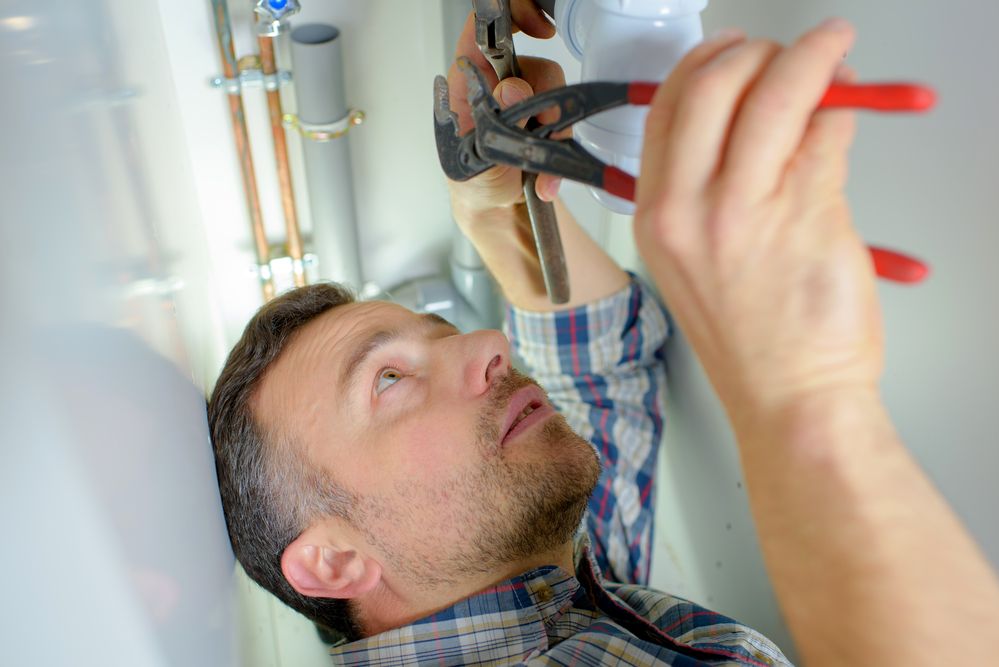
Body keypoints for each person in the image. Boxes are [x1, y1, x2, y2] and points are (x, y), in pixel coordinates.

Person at [208, 4, 999, 665]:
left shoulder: (546, 576)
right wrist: (801, 401)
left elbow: (603, 367)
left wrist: (494, 215)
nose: (490, 343)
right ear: (336, 559)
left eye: (439, 331)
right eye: (387, 379)